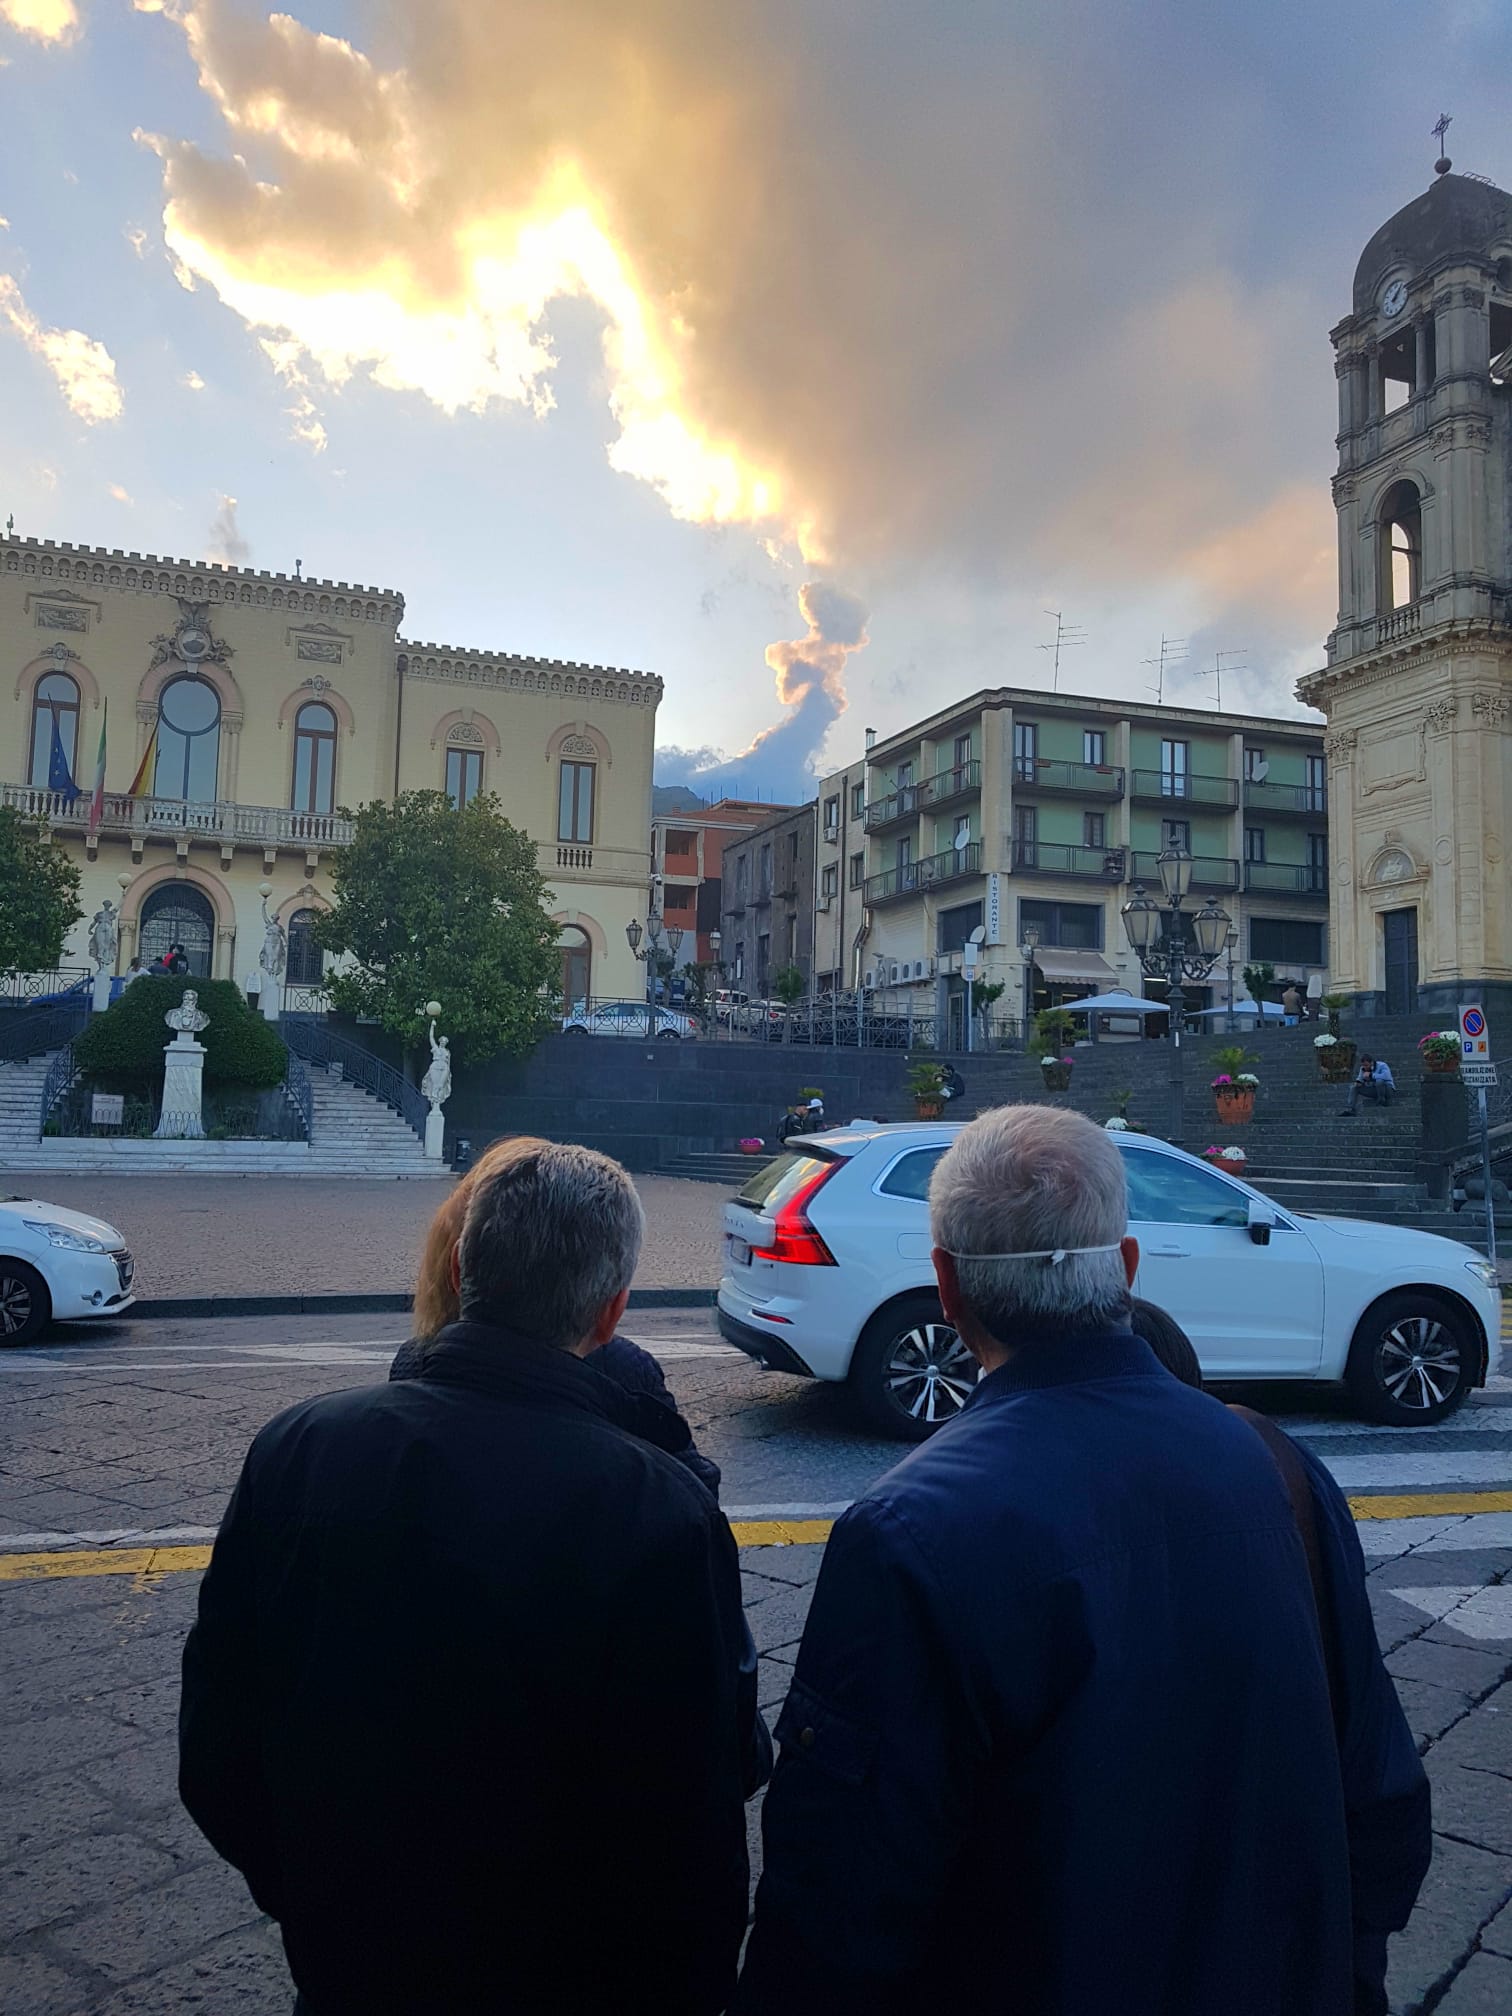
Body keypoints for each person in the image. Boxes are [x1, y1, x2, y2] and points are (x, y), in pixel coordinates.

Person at [737, 1105, 1429, 2016]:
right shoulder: (1281, 1470)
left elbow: (844, 1899)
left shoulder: (906, 1533)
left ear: (946, 1288)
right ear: (1128, 1267)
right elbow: (1381, 1802)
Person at [181, 1137, 768, 2016]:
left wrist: (313, 1899)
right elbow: (690, 1816)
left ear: (461, 1263)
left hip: (351, 1968)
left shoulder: (297, 1449)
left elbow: (219, 1738)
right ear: (611, 1314)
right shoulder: (659, 1511)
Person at [389, 1138, 721, 1497]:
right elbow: (698, 1495)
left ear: (458, 1267)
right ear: (611, 1312)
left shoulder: (409, 1365)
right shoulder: (624, 1372)